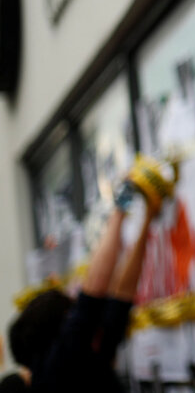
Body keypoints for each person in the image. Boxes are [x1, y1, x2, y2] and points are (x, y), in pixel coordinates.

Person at [8, 159, 171, 392]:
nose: (77, 315)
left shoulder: (86, 354)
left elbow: (121, 295)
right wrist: (121, 205)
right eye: (70, 313)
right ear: (58, 328)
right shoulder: (56, 368)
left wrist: (147, 218)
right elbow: (94, 289)